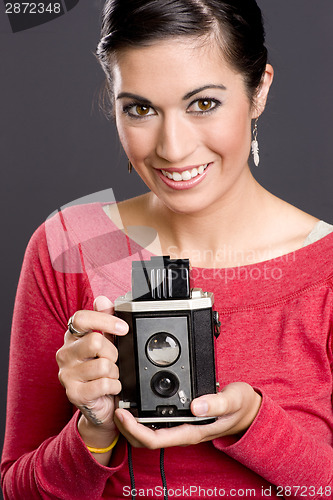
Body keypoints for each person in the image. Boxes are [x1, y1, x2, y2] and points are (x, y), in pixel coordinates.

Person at [1, 0, 333, 498]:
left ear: (259, 89)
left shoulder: (324, 270)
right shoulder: (69, 246)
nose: (173, 148)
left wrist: (254, 424)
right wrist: (94, 431)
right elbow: (18, 490)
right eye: (140, 109)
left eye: (203, 103)